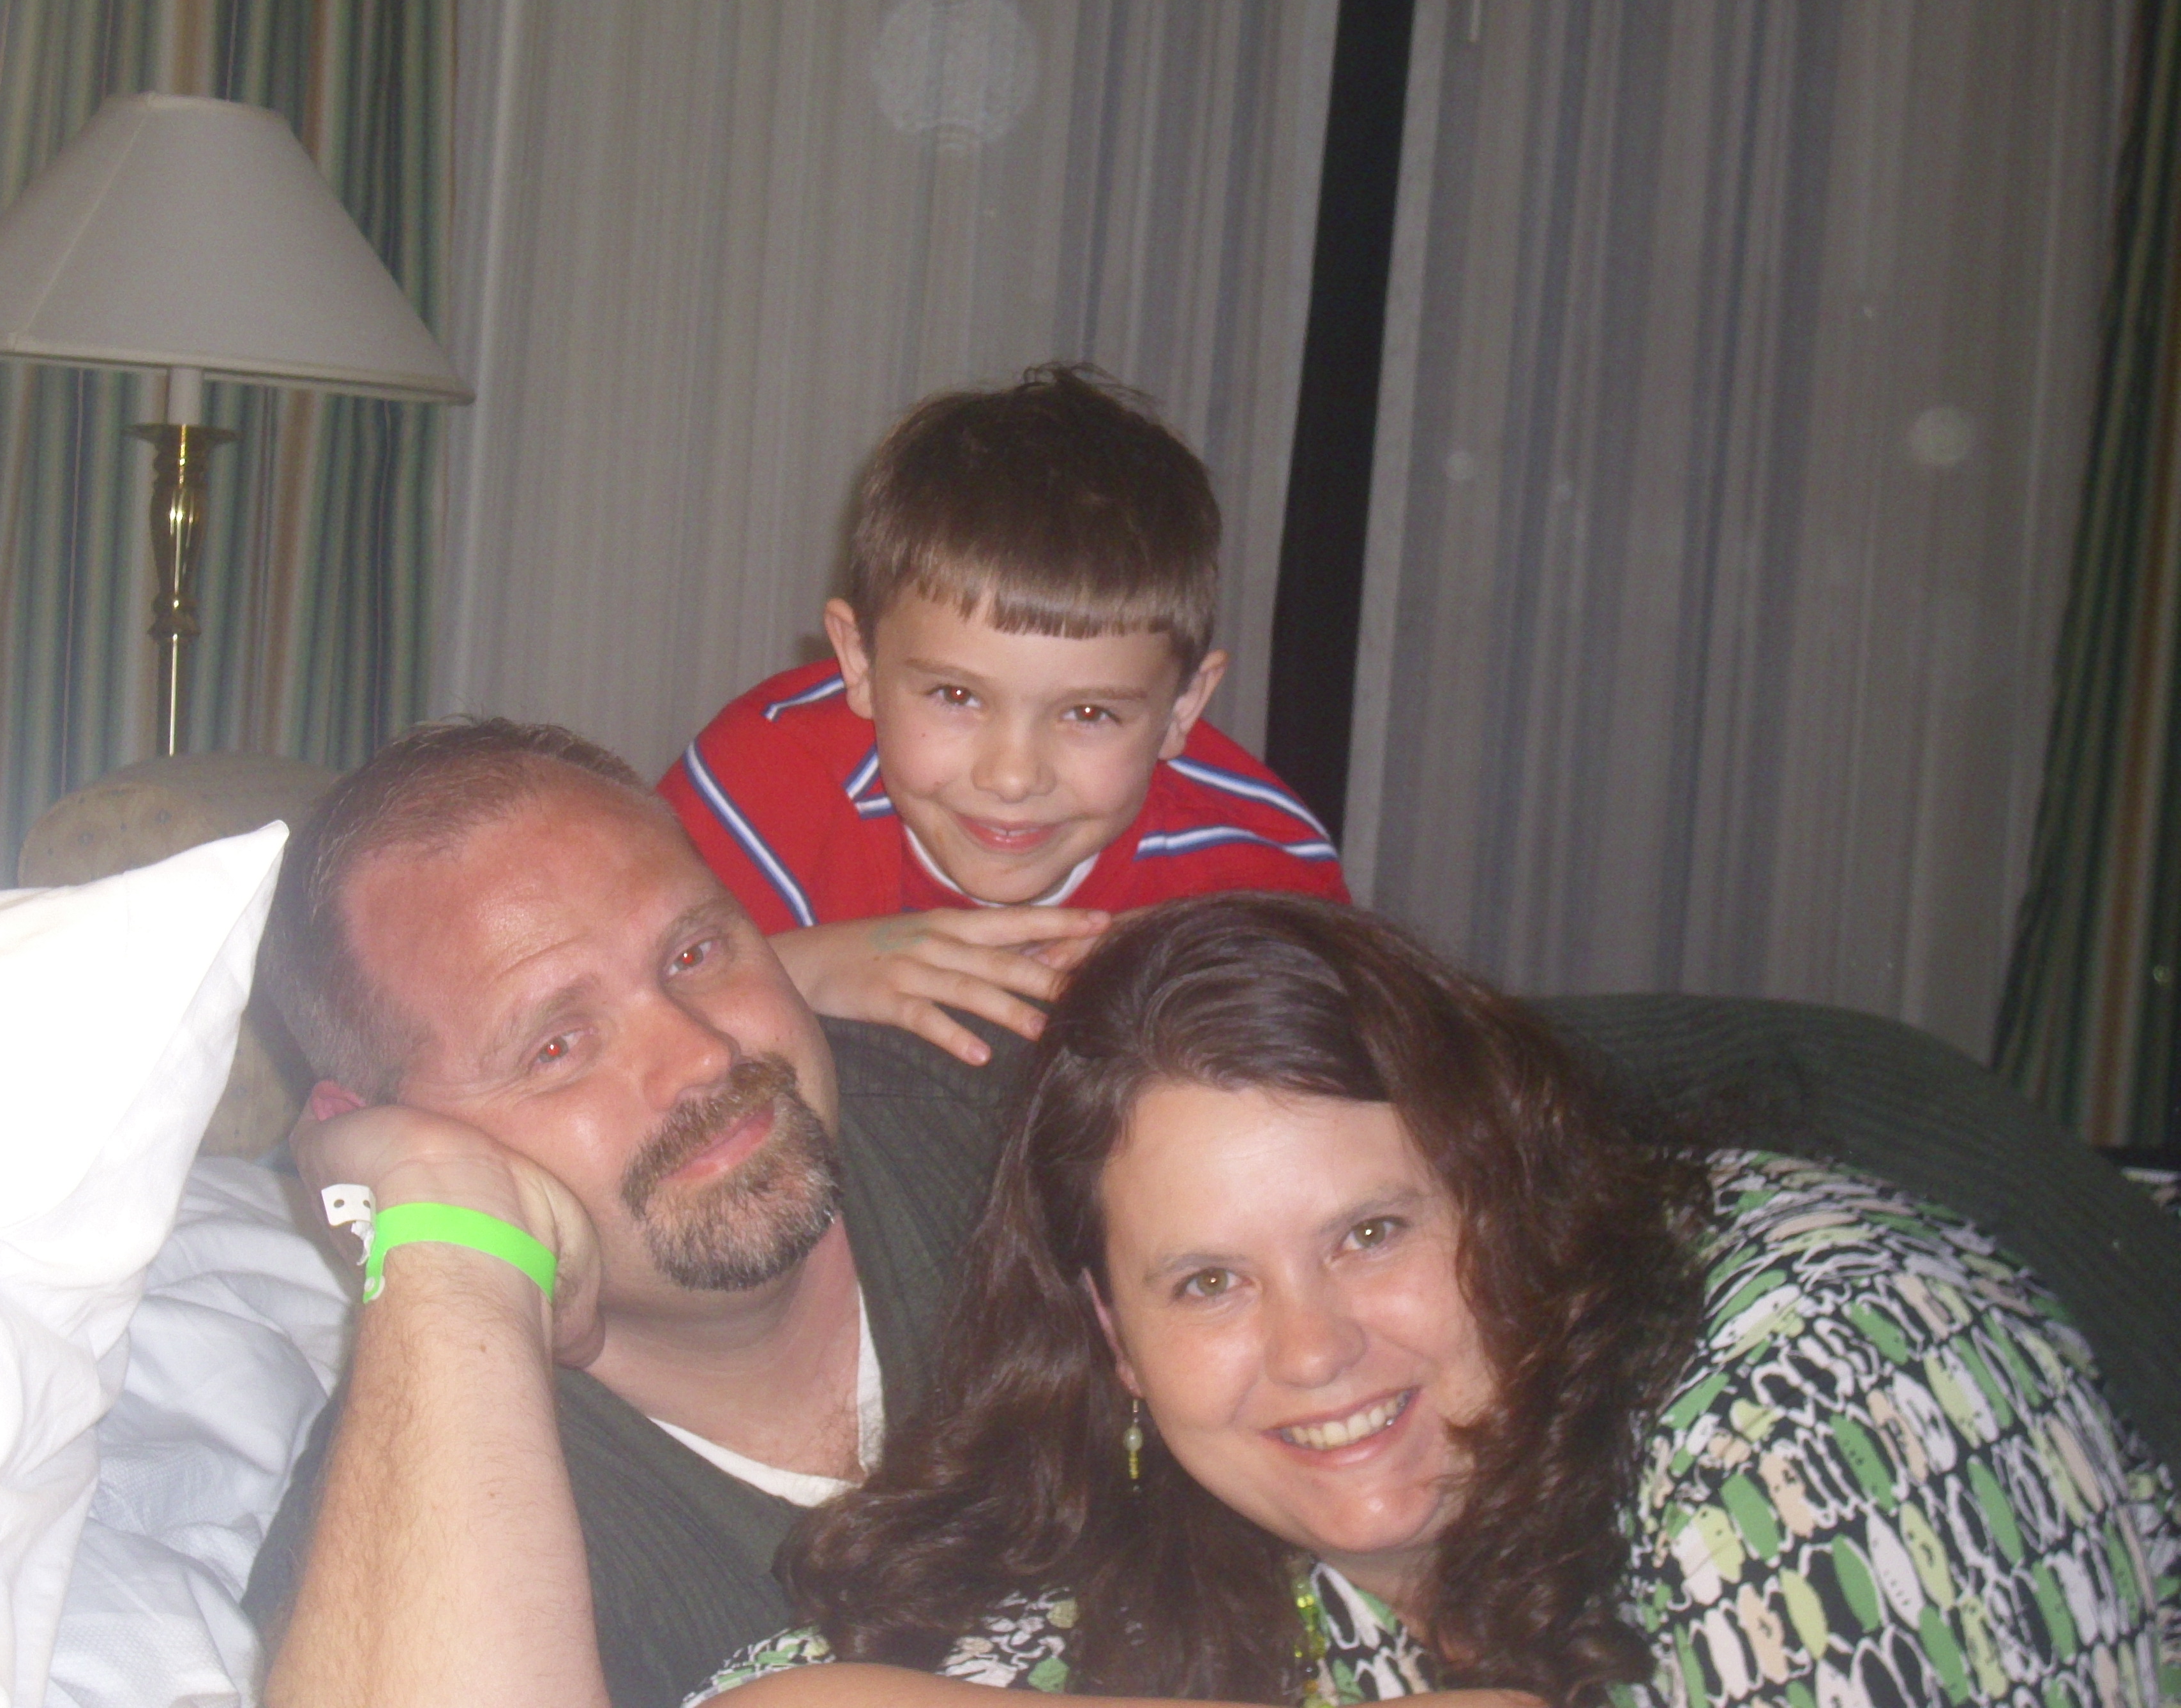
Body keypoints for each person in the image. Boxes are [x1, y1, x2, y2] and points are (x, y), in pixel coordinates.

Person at [692, 895, 2180, 1707]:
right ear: (1113, 1340)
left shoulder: (1833, 1363)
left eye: (1371, 1230)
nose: (1313, 1349)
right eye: (1206, 1281)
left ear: (1505, 1188)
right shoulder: (1199, 1529)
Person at [246, 717, 1024, 1708]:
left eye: (695, 953)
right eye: (557, 1047)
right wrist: (437, 1205)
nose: (702, 1054)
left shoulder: (1032, 1131)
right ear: (377, 1127)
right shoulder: (424, 1496)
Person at [659, 365, 1347, 1068]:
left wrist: (1212, 961)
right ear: (860, 663)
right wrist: (799, 968)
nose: (1014, 777)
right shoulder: (765, 781)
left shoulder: (1262, 868)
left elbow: (1372, 1058)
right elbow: (614, 1013)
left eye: (1088, 713)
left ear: (1182, 708)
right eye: (956, 697)